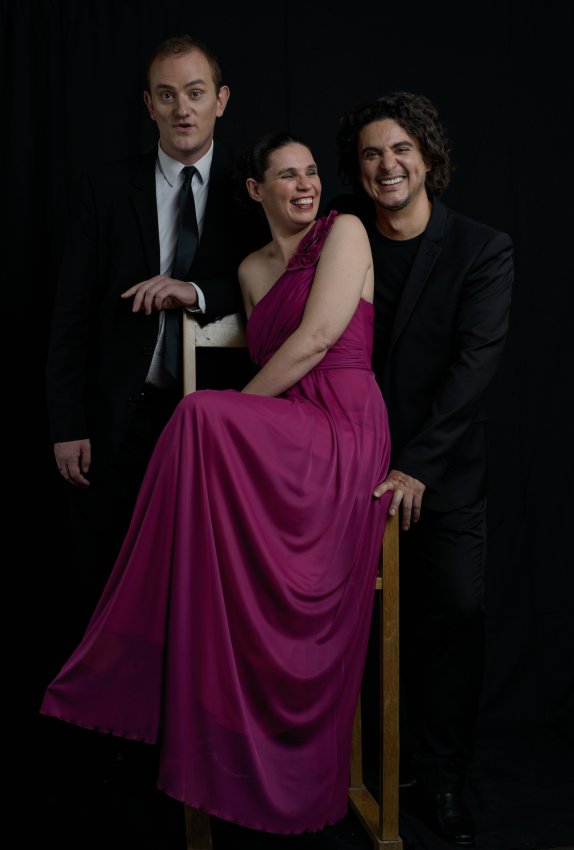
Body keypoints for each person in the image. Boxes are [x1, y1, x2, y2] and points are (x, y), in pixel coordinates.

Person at [40, 131, 393, 834]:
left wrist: (234, 414)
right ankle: (177, 617)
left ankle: (136, 627)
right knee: (204, 425)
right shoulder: (253, 270)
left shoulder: (345, 231)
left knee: (200, 414)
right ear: (256, 191)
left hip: (344, 429)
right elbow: (268, 355)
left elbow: (316, 339)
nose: (305, 185)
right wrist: (240, 422)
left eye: (312, 172)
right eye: (286, 175)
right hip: (288, 437)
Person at [333, 92, 513, 847]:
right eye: (372, 153)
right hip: (349, 466)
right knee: (354, 621)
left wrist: (415, 468)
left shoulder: (481, 248)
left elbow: (474, 369)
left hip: (441, 472)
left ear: (429, 157)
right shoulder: (342, 231)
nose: (387, 165)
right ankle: (371, 763)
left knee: (456, 614)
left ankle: (442, 777)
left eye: (401, 149)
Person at [46, 34, 264, 630]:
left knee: (204, 591)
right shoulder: (105, 188)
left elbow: (275, 288)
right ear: (149, 105)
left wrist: (195, 292)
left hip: (219, 420)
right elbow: (70, 315)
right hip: (119, 419)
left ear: (221, 100)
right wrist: (67, 424)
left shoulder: (253, 190)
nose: (182, 109)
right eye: (167, 96)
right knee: (110, 592)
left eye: (195, 93)